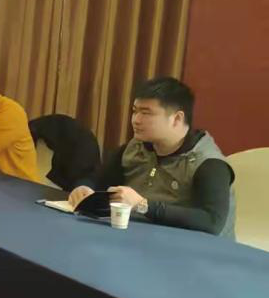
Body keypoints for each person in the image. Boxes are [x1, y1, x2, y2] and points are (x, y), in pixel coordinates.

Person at [69, 77, 236, 237]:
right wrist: (84, 187)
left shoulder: (209, 164)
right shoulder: (137, 147)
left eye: (146, 113)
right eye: (135, 111)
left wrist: (143, 205)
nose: (136, 120)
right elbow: (99, 178)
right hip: (140, 237)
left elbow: (212, 221)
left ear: (177, 118)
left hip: (194, 248)